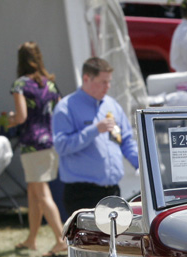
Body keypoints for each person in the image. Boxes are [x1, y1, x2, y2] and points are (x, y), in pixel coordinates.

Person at [52, 57, 139, 217]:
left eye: (109, 81)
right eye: (103, 82)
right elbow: (61, 146)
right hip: (82, 193)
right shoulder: (66, 107)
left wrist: (140, 165)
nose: (108, 87)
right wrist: (94, 130)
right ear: (86, 79)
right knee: (88, 242)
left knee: (114, 241)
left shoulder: (112, 105)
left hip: (112, 191)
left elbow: (125, 140)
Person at [8, 42, 65, 257]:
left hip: (32, 144)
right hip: (51, 142)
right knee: (34, 192)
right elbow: (60, 112)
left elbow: (21, 116)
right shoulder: (50, 84)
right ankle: (31, 239)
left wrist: (11, 120)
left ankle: (60, 239)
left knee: (41, 193)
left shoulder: (20, 85)